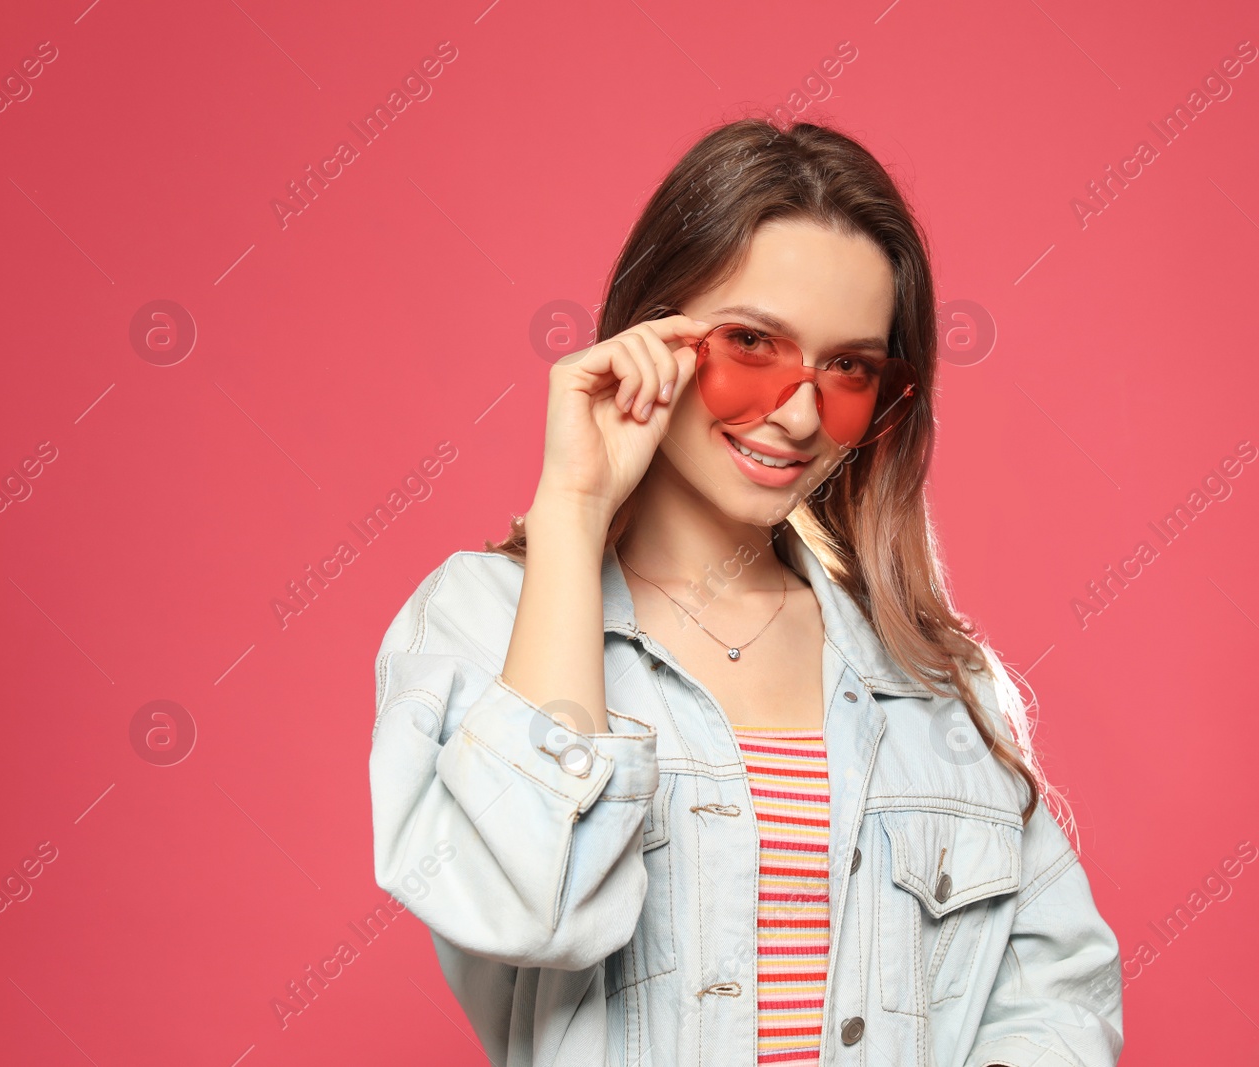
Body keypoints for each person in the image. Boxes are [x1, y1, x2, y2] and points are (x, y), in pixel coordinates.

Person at [369, 117, 1123, 1066]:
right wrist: (570, 511)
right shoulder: (482, 621)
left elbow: (1058, 990)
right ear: (653, 331)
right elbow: (524, 909)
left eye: (848, 367)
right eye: (754, 344)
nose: (801, 412)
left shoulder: (929, 675)